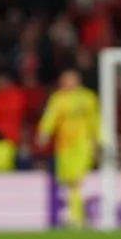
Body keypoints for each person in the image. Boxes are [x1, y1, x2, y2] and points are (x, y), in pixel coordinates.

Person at [37, 69, 100, 229]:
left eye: (69, 79)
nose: (66, 82)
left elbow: (95, 119)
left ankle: (76, 216)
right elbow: (50, 117)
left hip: (82, 143)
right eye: (64, 79)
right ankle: (75, 215)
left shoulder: (87, 97)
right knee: (68, 181)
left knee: (77, 179)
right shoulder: (57, 98)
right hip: (64, 145)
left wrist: (98, 139)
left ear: (77, 81)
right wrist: (44, 132)